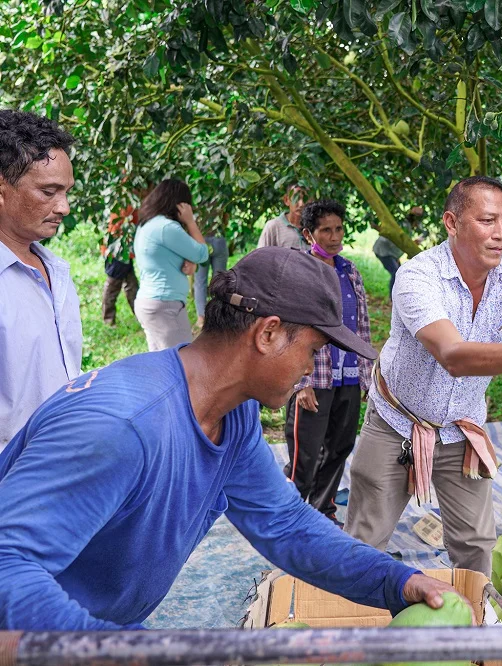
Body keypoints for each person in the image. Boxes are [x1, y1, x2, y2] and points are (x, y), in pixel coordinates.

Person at [0, 247, 462, 631]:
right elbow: (7, 567)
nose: (311, 370)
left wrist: (396, 581)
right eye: (313, 351)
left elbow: (283, 523)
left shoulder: (231, 414)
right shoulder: (123, 427)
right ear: (268, 333)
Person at [345, 176, 502, 575]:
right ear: (452, 222)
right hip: (395, 425)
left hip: (462, 430)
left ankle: (476, 624)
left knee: (477, 546)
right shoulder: (417, 278)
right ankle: (344, 624)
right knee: (364, 541)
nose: (501, 235)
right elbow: (452, 355)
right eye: (488, 221)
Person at [0, 110, 81, 454]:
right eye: (49, 191)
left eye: (66, 191)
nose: (63, 206)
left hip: (59, 466)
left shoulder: (56, 272)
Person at [285, 200, 372, 520]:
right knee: (304, 454)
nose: (334, 237)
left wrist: (366, 375)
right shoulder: (300, 272)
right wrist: (301, 383)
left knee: (340, 446)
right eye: (326, 230)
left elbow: (362, 326)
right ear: (309, 234)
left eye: (338, 229)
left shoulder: (350, 271)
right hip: (314, 376)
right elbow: (289, 330)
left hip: (347, 376)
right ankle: (289, 515)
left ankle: (323, 510)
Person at [132, 179, 209, 351]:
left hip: (150, 302)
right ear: (180, 205)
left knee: (161, 364)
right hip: (165, 305)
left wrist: (191, 263)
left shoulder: (147, 224)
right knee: (181, 361)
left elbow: (167, 258)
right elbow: (202, 254)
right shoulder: (167, 228)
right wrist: (190, 221)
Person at [101, 201, 140, 326]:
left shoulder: (129, 200)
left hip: (123, 250)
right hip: (118, 249)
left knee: (131, 284)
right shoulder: (127, 203)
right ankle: (108, 319)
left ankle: (140, 315)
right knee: (113, 284)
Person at [373, 205, 423, 298]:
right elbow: (399, 242)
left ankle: (399, 297)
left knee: (400, 273)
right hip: (384, 251)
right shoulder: (404, 225)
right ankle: (392, 299)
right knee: (396, 273)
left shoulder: (407, 226)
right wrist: (412, 243)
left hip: (391, 253)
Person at [194, 211, 230, 330]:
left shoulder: (195, 199)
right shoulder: (220, 196)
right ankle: (218, 315)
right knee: (219, 281)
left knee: (200, 282)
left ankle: (201, 318)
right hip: (218, 239)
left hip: (200, 240)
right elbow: (226, 218)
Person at [258, 184, 309, 251]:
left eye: (305, 199)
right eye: (296, 198)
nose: (301, 204)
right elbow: (261, 257)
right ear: (286, 200)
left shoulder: (315, 227)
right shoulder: (273, 226)